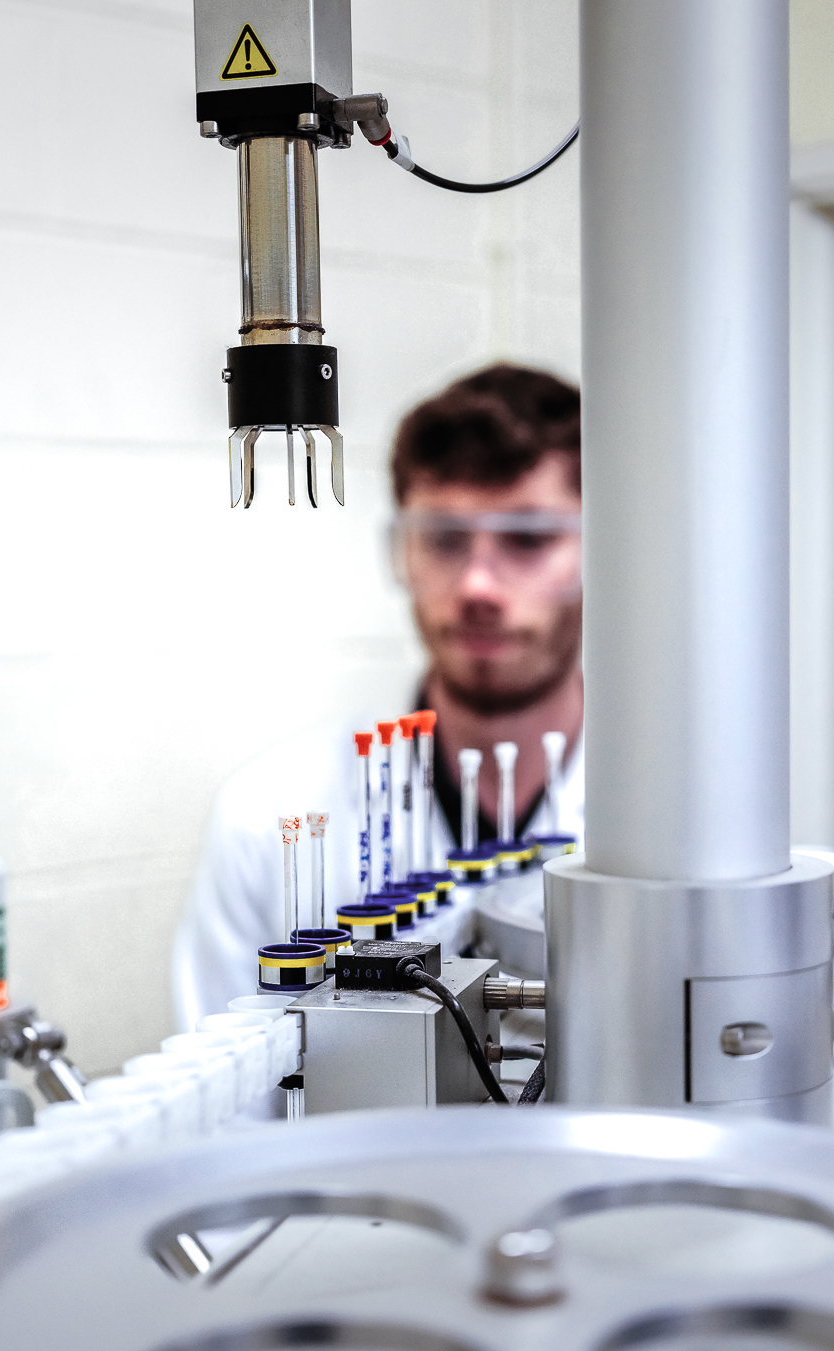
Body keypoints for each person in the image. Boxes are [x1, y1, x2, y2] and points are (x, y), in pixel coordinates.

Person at [170, 363, 585, 1027]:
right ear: (403, 553)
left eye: (528, 538)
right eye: (444, 540)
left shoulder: (684, 816)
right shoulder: (270, 815)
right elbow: (231, 1112)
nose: (478, 584)